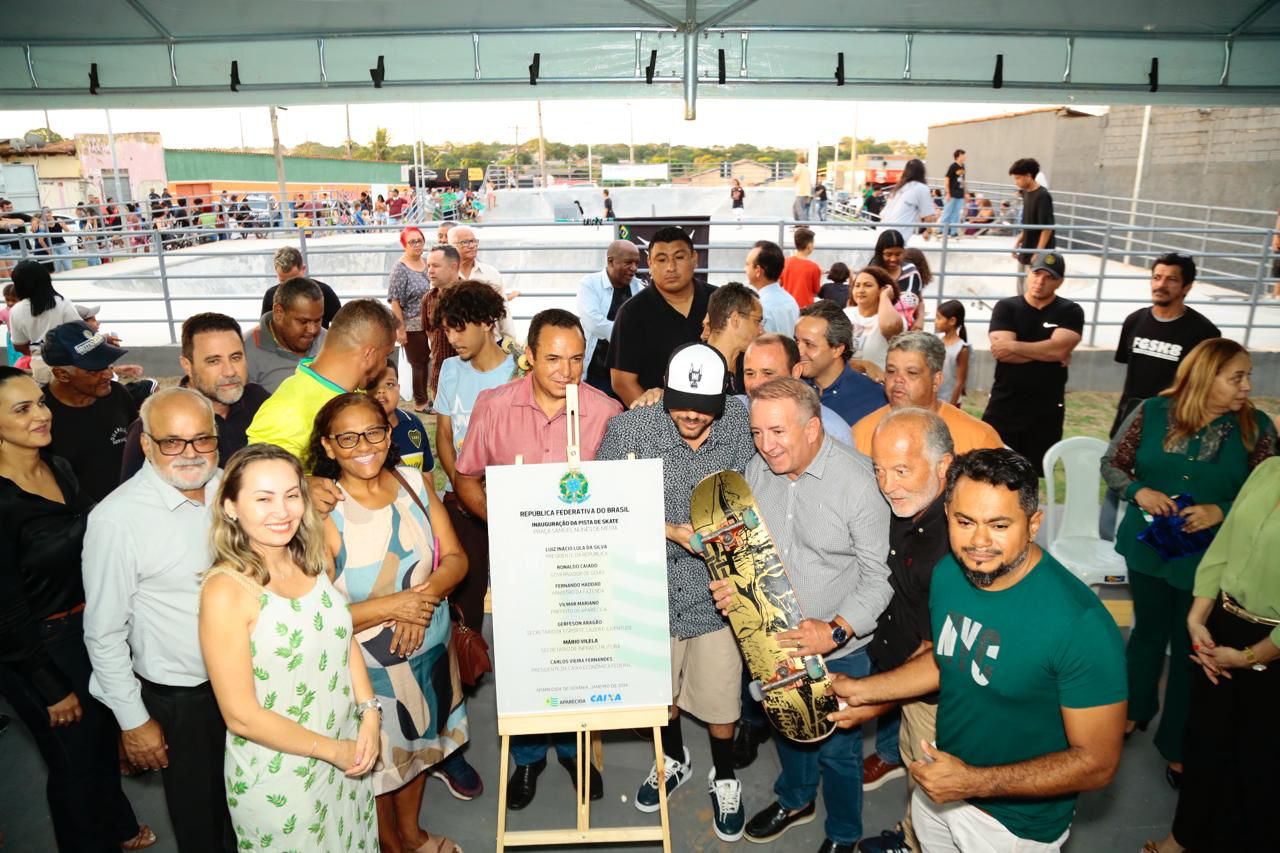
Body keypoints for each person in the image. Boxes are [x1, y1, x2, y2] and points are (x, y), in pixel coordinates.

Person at [831, 449, 1127, 853]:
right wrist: (865, 691)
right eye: (965, 521)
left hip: (1014, 826)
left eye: (999, 524)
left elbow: (1098, 762)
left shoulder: (1080, 625)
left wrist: (975, 781)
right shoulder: (951, 573)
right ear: (947, 513)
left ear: (1034, 523)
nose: (979, 542)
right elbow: (948, 655)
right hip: (941, 785)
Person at [712, 378, 891, 852]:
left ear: (813, 429)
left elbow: (880, 580)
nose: (765, 446)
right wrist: (735, 588)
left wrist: (833, 631)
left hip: (840, 647)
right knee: (788, 727)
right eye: (756, 433)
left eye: (777, 432)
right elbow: (748, 550)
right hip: (773, 637)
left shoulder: (859, 483)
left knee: (838, 751)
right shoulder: (757, 468)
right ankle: (795, 800)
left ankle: (845, 835)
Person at [453, 309, 621, 810]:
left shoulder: (606, 411)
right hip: (519, 565)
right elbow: (466, 477)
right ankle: (527, 756)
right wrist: (502, 521)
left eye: (575, 359)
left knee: (578, 659)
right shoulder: (493, 406)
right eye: (552, 359)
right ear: (528, 356)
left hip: (585, 566)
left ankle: (573, 749)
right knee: (525, 661)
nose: (566, 372)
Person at [597, 344, 756, 842]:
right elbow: (604, 502)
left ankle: (724, 774)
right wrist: (671, 530)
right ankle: (672, 760)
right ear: (664, 391)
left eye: (704, 407)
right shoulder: (631, 428)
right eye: (681, 403)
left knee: (721, 696)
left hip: (719, 591)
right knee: (658, 694)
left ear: (723, 400)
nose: (691, 416)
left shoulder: (741, 426)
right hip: (652, 586)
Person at [1102, 338, 1275, 788]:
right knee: (1145, 634)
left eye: (1247, 376)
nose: (1247, 386)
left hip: (1210, 560)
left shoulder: (1256, 428)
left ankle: (1178, 744)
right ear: (1205, 376)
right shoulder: (1150, 413)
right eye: (1236, 376)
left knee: (1190, 647)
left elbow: (1269, 493)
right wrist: (1138, 491)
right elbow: (1113, 463)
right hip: (1149, 547)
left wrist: (1222, 508)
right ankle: (1133, 712)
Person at [0, 366, 157, 852]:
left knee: (97, 748)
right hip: (38, 651)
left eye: (40, 403)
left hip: (86, 629)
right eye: (22, 409)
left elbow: (104, 526)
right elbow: (6, 612)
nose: (41, 415)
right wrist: (50, 688)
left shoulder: (58, 468)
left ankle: (117, 825)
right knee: (72, 766)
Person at [198, 444, 380, 851]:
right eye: (262, 499)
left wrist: (369, 713)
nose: (282, 511)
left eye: (291, 495)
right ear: (230, 506)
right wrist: (333, 750)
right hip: (283, 776)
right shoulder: (226, 591)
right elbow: (241, 716)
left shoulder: (308, 558)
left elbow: (341, 634)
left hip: (346, 754)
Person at [310, 395, 471, 852]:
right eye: (348, 437)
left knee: (420, 751)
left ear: (389, 433)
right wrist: (395, 607)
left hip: (431, 653)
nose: (364, 445)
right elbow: (315, 618)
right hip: (368, 673)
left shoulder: (414, 484)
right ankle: (391, 844)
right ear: (328, 445)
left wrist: (424, 599)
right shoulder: (321, 514)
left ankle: (413, 833)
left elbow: (456, 558)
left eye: (374, 432)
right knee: (379, 765)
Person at [83, 388, 238, 852]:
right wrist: (133, 720)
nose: (190, 455)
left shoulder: (228, 487)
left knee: (251, 805)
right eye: (172, 442)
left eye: (201, 440)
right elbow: (103, 633)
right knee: (203, 820)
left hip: (250, 681)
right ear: (147, 445)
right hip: (185, 702)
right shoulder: (116, 520)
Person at [1143, 457, 1280, 853]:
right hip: (1221, 625)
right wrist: (1198, 617)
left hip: (1271, 646)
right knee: (1205, 741)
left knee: (1259, 759)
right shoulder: (1269, 469)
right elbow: (1224, 546)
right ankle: (1183, 837)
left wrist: (1249, 656)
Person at [847, 408, 955, 853]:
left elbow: (937, 658)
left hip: (938, 698)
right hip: (908, 686)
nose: (887, 484)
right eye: (879, 470)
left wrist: (868, 698)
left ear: (944, 466)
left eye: (902, 470)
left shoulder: (956, 541)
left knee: (940, 787)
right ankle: (912, 838)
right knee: (917, 771)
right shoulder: (909, 502)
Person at [433, 281, 519, 642]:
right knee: (463, 604)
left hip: (513, 504)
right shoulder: (451, 369)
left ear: (486, 322)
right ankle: (465, 675)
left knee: (518, 595)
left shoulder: (520, 371)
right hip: (463, 504)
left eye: (460, 326)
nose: (453, 337)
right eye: (448, 328)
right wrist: (464, 487)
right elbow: (443, 436)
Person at [120, 312, 271, 481]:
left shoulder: (258, 400)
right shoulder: (155, 424)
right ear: (187, 366)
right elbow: (132, 496)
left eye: (236, 357)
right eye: (214, 361)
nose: (230, 371)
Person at [246, 298, 398, 462]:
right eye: (386, 356)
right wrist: (310, 483)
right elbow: (258, 479)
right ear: (369, 355)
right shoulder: (287, 411)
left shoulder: (358, 395)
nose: (384, 365)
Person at [982, 253, 1084, 476]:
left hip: (1045, 413)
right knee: (991, 473)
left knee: (1032, 478)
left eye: (1049, 277)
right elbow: (1002, 353)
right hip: (1005, 406)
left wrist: (1016, 346)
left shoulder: (1070, 311)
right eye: (1037, 274)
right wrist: (1049, 351)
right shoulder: (1006, 307)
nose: (1041, 281)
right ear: (1028, 273)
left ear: (1060, 282)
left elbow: (1058, 349)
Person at [1111, 253, 1221, 436]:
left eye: (1171, 280)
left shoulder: (1205, 332)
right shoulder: (1134, 321)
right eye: (1156, 277)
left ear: (1187, 286)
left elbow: (1205, 385)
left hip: (1174, 425)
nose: (1161, 285)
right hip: (1129, 419)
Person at [608, 226, 715, 405]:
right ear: (649, 263)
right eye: (662, 259)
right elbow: (622, 382)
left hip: (717, 414)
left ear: (694, 259)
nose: (671, 267)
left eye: (679, 258)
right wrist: (656, 424)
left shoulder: (718, 302)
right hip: (658, 420)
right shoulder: (632, 313)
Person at [852, 332, 1003, 456]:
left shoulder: (979, 438)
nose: (897, 379)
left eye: (911, 373)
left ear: (936, 381)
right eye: (891, 371)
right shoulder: (861, 433)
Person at [41, 321, 139, 503]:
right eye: (94, 370)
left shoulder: (118, 394)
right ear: (62, 374)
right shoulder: (40, 415)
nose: (109, 375)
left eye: (108, 365)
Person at [739, 334, 854, 448]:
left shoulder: (831, 431)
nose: (757, 383)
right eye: (750, 373)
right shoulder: (730, 412)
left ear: (795, 372)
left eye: (768, 373)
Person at [795, 300, 883, 426]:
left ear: (837, 350)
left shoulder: (875, 400)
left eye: (809, 344)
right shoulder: (791, 386)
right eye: (797, 341)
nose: (799, 351)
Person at [577, 239, 643, 398]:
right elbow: (593, 322)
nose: (633, 268)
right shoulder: (589, 284)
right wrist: (628, 334)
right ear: (611, 261)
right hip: (595, 373)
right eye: (628, 262)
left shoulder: (640, 289)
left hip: (627, 375)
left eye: (636, 263)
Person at [244, 276, 327, 393]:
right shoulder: (245, 351)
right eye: (303, 322)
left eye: (318, 320)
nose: (312, 330)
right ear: (279, 313)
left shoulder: (328, 341)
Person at [6, 260, 81, 383]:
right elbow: (78, 332)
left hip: (40, 365)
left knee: (46, 400)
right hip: (68, 363)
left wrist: (38, 350)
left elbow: (18, 345)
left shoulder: (16, 310)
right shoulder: (62, 303)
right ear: (46, 279)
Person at [388, 226, 435, 413]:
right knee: (419, 363)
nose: (417, 245)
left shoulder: (426, 263)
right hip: (412, 324)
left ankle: (431, 397)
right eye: (412, 242)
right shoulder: (400, 269)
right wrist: (400, 329)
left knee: (431, 361)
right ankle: (421, 402)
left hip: (431, 322)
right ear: (404, 245)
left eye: (419, 241)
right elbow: (395, 301)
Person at [370, 360, 434, 472]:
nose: (381, 391)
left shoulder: (413, 424)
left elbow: (426, 473)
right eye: (374, 384)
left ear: (398, 388)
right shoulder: (359, 434)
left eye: (389, 385)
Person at [258, 246, 341, 328]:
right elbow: (265, 331)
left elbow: (343, 326)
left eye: (294, 280)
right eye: (283, 281)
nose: (289, 287)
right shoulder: (270, 296)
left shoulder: (324, 292)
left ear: (303, 269)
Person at [845, 266, 906, 371]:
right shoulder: (845, 314)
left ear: (881, 289)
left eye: (868, 285)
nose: (861, 290)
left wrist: (885, 296)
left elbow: (889, 326)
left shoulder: (893, 319)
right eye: (857, 285)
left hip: (878, 383)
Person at [1009, 158, 1055, 279]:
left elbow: (1047, 228)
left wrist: (1038, 253)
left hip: (1039, 253)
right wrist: (1017, 242)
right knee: (1021, 289)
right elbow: (1027, 223)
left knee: (1031, 291)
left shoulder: (1043, 196)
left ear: (1029, 176)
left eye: (1018, 178)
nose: (1016, 182)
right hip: (1026, 249)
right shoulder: (1026, 193)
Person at [871, 231, 925, 330]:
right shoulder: (872, 275)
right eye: (888, 254)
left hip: (908, 335)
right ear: (880, 253)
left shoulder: (912, 273)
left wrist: (920, 320)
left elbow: (919, 300)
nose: (893, 259)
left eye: (898, 254)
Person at [744, 240, 799, 336]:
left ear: (758, 270)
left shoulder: (759, 306)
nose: (745, 269)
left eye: (747, 264)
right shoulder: (791, 300)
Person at [878, 159, 937, 242]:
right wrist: (928, 231)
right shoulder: (921, 188)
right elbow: (928, 217)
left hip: (882, 231)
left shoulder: (899, 188)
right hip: (898, 235)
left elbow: (882, 214)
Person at [934, 300, 970, 406]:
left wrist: (951, 406)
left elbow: (960, 381)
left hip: (950, 402)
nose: (935, 321)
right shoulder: (937, 341)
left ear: (952, 321)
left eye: (939, 318)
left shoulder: (962, 349)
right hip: (934, 399)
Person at [780, 226, 823, 308]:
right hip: (805, 308)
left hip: (788, 306)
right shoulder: (814, 267)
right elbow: (816, 290)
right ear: (809, 246)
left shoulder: (785, 262)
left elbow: (780, 283)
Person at [940, 150, 966, 238]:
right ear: (958, 156)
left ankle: (953, 232)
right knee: (947, 212)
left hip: (960, 193)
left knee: (956, 213)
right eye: (963, 155)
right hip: (952, 193)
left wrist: (966, 192)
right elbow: (947, 179)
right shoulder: (953, 166)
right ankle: (941, 230)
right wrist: (948, 192)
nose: (965, 157)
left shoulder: (963, 166)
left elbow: (963, 180)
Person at [792, 154, 812, 221]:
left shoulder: (799, 166)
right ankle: (798, 223)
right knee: (795, 207)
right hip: (806, 191)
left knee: (799, 209)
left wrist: (793, 174)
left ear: (798, 161)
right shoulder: (806, 168)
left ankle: (803, 224)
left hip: (800, 191)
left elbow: (796, 177)